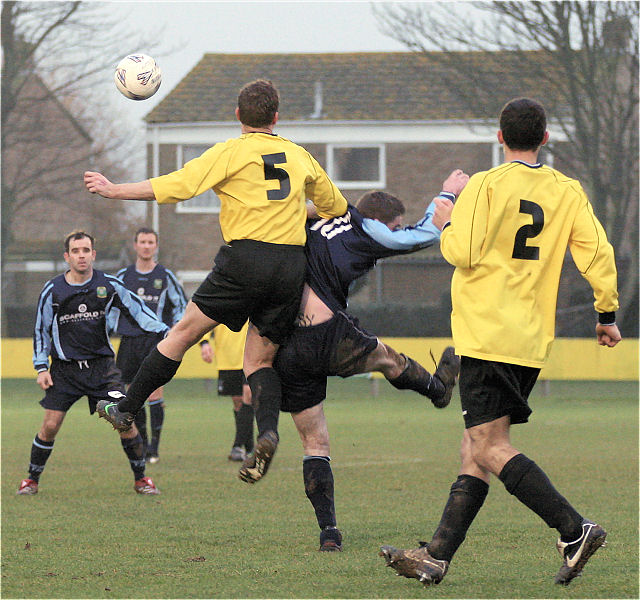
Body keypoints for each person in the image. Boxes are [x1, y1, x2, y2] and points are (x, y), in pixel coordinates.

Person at [380, 97, 621, 587]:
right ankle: (436, 556)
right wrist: (606, 312)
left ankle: (575, 530)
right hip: (530, 339)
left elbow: (462, 252)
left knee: (489, 446)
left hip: (487, 335)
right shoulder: (566, 190)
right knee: (476, 445)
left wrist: (446, 215)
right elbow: (597, 251)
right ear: (546, 139)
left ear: (499, 137)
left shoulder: (486, 185)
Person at [84, 79, 348, 484]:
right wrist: (296, 210)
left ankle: (127, 406)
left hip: (244, 259)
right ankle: (268, 432)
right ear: (276, 117)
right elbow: (336, 206)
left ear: (238, 115)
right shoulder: (300, 156)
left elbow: (177, 186)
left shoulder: (230, 152)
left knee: (183, 333)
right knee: (259, 360)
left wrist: (115, 190)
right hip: (289, 266)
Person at [273, 168, 469, 552]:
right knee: (388, 359)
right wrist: (446, 194)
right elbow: (422, 235)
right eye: (392, 226)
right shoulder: (368, 230)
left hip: (287, 344)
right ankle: (438, 390)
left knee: (315, 442)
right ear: (380, 221)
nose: (393, 232)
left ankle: (328, 532)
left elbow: (284, 215)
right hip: (326, 333)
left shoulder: (325, 218)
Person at [17, 231, 169, 497]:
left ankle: (142, 479)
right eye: (75, 251)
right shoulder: (53, 290)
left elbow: (138, 311)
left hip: (102, 370)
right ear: (67, 256)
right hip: (64, 371)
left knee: (124, 420)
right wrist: (41, 368)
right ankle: (31, 480)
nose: (81, 255)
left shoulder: (108, 285)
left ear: (93, 254)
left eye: (86, 250)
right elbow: (40, 330)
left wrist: (169, 334)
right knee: (50, 426)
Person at [113, 227, 188, 464]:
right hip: (129, 341)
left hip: (155, 342)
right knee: (131, 393)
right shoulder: (123, 276)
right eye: (142, 242)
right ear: (135, 245)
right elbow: (111, 307)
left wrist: (174, 333)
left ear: (156, 246)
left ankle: (154, 447)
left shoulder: (165, 276)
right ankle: (142, 443)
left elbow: (181, 307)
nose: (146, 246)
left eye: (150, 242)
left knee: (154, 391)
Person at [199, 322, 255, 461]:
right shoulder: (220, 299)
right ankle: (250, 447)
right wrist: (204, 343)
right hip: (228, 358)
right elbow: (206, 317)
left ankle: (237, 446)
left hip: (251, 354)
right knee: (238, 403)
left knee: (248, 395)